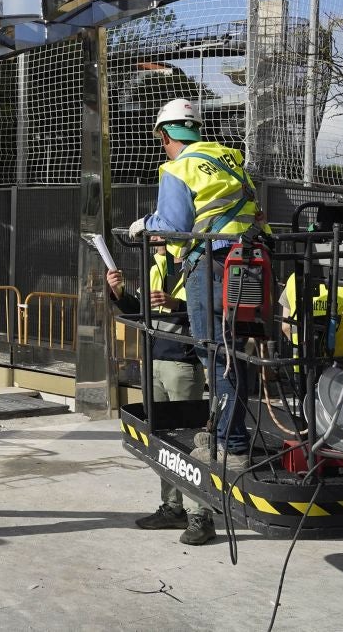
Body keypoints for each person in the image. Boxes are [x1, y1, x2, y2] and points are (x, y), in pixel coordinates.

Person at [129, 98, 261, 472]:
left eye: (162, 140)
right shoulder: (230, 159)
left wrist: (146, 224)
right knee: (236, 351)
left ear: (166, 134)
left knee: (215, 353)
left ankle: (230, 444)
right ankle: (226, 432)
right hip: (249, 262)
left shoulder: (179, 167)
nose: (164, 147)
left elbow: (174, 222)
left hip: (212, 265)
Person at [106, 239, 215, 546]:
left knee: (190, 443)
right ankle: (173, 508)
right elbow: (142, 311)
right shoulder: (157, 267)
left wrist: (175, 304)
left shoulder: (198, 265)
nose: (155, 242)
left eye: (159, 236)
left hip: (183, 364)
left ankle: (200, 516)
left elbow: (205, 311)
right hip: (154, 360)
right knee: (162, 440)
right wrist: (119, 293)